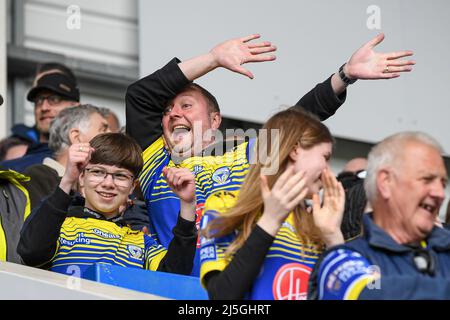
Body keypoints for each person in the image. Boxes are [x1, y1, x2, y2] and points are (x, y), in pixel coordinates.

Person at [126, 33, 415, 276]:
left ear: (215, 121)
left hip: (241, 288)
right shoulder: (153, 161)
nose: (174, 113)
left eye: (186, 105)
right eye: (167, 111)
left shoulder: (244, 156)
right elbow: (140, 95)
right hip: (170, 288)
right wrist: (213, 59)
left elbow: (299, 118)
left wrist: (344, 75)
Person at [199, 108, 345, 300]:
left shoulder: (315, 221)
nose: (328, 171)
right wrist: (270, 221)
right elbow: (222, 296)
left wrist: (334, 238)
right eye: (325, 157)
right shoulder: (225, 204)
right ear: (294, 150)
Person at [18, 133, 197, 277]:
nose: (108, 183)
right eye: (97, 172)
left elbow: (174, 275)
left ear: (132, 187)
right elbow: (31, 252)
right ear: (82, 178)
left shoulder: (141, 242)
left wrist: (188, 204)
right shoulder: (59, 226)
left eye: (120, 176)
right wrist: (67, 181)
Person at [309, 132, 450, 300]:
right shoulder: (342, 261)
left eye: (443, 184)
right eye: (427, 179)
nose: (440, 193)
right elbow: (368, 294)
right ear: (385, 182)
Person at [23, 104, 110, 209]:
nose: (111, 133)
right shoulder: (38, 177)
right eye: (103, 129)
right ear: (76, 137)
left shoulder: (104, 183)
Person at [1, 67, 81, 172]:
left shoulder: (89, 153)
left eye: (54, 99)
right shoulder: (11, 147)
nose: (44, 108)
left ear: (75, 107)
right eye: (39, 100)